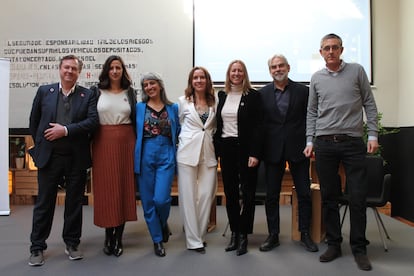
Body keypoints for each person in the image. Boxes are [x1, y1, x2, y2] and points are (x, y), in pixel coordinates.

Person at [303, 33, 379, 271]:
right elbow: (312, 112)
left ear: (342, 49)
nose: (331, 51)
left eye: (335, 47)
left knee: (357, 197)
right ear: (321, 51)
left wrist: (374, 134)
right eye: (326, 48)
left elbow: (369, 102)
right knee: (329, 197)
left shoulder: (357, 71)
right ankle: (334, 244)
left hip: (353, 142)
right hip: (324, 144)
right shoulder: (316, 78)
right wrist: (310, 140)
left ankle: (359, 248)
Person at [28, 55, 99, 266]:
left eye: (74, 68)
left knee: (74, 203)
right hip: (50, 158)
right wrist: (42, 144)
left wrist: (65, 130)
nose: (69, 71)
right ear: (60, 69)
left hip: (76, 158)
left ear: (79, 72)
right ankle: (37, 247)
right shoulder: (44, 91)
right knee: (44, 203)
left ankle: (72, 243)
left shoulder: (88, 94)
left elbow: (93, 122)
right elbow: (34, 122)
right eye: (66, 67)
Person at [257, 54, 318, 253]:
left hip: (298, 149)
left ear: (289, 67)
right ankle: (273, 234)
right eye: (273, 67)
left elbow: (311, 118)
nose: (278, 69)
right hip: (272, 151)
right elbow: (261, 123)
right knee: (272, 195)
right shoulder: (262, 93)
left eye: (281, 65)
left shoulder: (303, 91)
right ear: (270, 71)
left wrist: (311, 142)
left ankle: (305, 234)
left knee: (304, 193)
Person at [90, 55, 137, 257]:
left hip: (126, 142)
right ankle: (108, 236)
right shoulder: (96, 91)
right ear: (107, 71)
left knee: (124, 188)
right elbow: (90, 118)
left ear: (122, 70)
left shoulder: (131, 92)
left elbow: (135, 118)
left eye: (118, 67)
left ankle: (118, 238)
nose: (115, 71)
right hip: (102, 142)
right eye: (112, 68)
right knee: (107, 190)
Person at [214, 60, 260, 256]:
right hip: (227, 147)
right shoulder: (222, 95)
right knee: (231, 194)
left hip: (246, 150)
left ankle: (244, 235)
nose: (236, 73)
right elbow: (218, 124)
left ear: (245, 74)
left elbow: (259, 127)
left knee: (248, 194)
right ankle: (234, 232)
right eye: (233, 70)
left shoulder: (254, 96)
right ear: (228, 73)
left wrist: (255, 153)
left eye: (240, 70)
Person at [134, 72, 179, 257]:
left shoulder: (173, 107)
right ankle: (157, 240)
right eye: (145, 85)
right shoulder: (139, 107)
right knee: (148, 200)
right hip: (146, 153)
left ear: (160, 85)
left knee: (161, 199)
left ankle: (161, 223)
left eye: (152, 83)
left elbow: (181, 131)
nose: (149, 87)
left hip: (167, 152)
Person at [177, 66, 217, 254]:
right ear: (191, 81)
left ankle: (199, 235)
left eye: (202, 77)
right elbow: (180, 124)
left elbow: (215, 126)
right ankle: (193, 241)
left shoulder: (215, 100)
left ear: (207, 80)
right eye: (196, 78)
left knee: (206, 195)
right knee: (188, 196)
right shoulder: (182, 102)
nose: (199, 81)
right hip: (187, 152)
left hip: (208, 152)